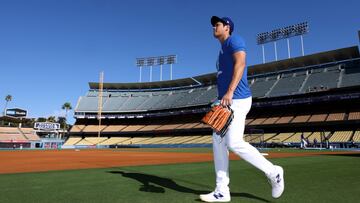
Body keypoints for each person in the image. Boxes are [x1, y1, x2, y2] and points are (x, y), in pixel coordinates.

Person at [199, 16, 285, 202]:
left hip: (237, 99)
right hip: (226, 102)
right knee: (218, 143)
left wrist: (229, 92)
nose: (214, 26)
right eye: (214, 24)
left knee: (233, 142)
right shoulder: (221, 50)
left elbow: (241, 63)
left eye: (218, 24)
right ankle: (222, 190)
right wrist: (219, 99)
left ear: (227, 27)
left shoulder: (234, 40)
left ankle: (274, 172)